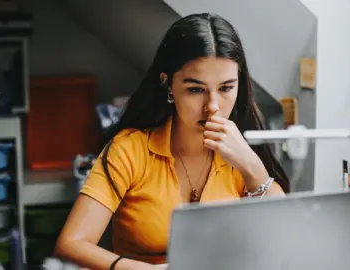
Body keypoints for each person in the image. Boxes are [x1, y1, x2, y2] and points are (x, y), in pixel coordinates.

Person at [55, 12, 290, 270]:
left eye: (226, 88)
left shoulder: (242, 153)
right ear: (168, 84)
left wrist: (251, 165)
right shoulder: (129, 150)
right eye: (196, 89)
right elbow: (71, 245)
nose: (212, 107)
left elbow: (284, 238)